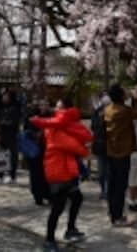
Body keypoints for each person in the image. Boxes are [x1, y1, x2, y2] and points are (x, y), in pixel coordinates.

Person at [31, 96, 93, 252]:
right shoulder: (54, 128)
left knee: (77, 198)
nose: (56, 110)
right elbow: (72, 146)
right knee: (58, 207)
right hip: (57, 171)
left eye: (59, 107)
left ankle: (71, 229)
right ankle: (49, 240)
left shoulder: (62, 126)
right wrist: (85, 149)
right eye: (56, 107)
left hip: (67, 169)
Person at [104, 84, 137, 226]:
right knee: (120, 186)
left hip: (110, 152)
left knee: (112, 185)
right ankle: (118, 217)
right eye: (124, 91)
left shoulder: (108, 109)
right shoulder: (124, 111)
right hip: (122, 154)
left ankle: (113, 213)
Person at [24, 98, 52, 205]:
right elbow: (26, 132)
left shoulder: (51, 117)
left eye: (46, 105)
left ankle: (48, 195)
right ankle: (38, 196)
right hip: (34, 150)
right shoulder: (32, 117)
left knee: (47, 174)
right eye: (42, 105)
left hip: (48, 149)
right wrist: (36, 135)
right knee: (36, 174)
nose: (44, 107)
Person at [0, 89, 21, 184]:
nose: (4, 97)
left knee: (13, 156)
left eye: (6, 96)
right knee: (1, 156)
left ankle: (13, 176)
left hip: (12, 135)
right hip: (2, 135)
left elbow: (14, 122)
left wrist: (2, 123)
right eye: (3, 96)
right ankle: (0, 176)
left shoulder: (15, 108)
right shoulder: (1, 107)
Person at [91, 92, 110, 200]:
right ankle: (103, 189)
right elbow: (94, 127)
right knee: (101, 172)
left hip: (111, 145)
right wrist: (101, 118)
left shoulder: (113, 110)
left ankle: (107, 191)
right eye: (103, 97)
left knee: (109, 171)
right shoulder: (97, 111)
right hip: (100, 145)